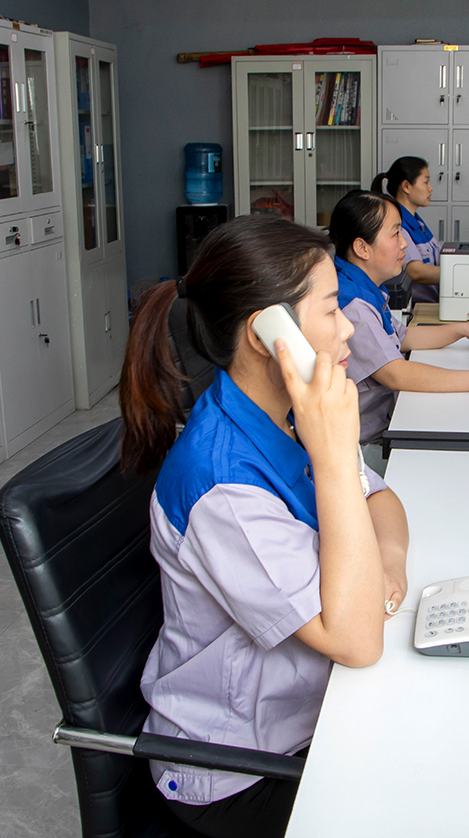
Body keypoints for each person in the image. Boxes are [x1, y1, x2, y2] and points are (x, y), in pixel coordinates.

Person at [119, 216, 408, 838]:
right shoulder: (222, 486)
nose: (349, 326)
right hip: (237, 769)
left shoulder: (286, 411)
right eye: (331, 310)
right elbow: (357, 641)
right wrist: (334, 456)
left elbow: (380, 501)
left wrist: (388, 566)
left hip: (313, 711)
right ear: (268, 334)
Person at [328, 190, 469, 472]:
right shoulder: (353, 304)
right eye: (395, 234)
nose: (404, 243)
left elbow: (402, 338)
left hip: (386, 423)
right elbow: (395, 373)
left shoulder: (362, 286)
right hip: (365, 448)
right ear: (362, 248)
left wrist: (462, 329)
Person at [371, 156, 440, 304]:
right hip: (416, 309)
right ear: (406, 186)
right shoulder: (399, 224)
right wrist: (460, 275)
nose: (430, 188)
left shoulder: (416, 221)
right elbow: (416, 271)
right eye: (426, 182)